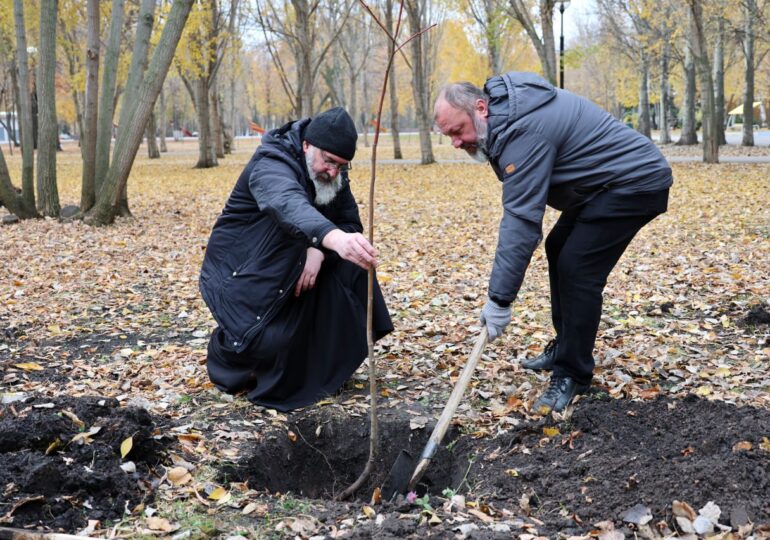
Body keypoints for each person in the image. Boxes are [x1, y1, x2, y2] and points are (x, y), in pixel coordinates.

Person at [434, 72, 672, 414]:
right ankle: (565, 347)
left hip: (634, 183)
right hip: (599, 186)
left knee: (577, 268)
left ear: (481, 108)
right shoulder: (505, 121)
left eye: (457, 131)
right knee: (559, 247)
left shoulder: (522, 129)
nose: (456, 143)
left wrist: (499, 299)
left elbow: (521, 220)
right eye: (449, 136)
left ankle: (573, 373)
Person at [199, 107, 393, 412]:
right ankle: (230, 352)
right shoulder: (271, 163)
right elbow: (287, 203)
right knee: (271, 347)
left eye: (342, 166)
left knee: (355, 267)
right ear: (306, 146)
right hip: (244, 276)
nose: (333, 172)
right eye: (329, 161)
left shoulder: (332, 173)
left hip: (294, 267)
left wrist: (318, 251)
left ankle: (321, 370)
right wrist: (331, 238)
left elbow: (349, 221)